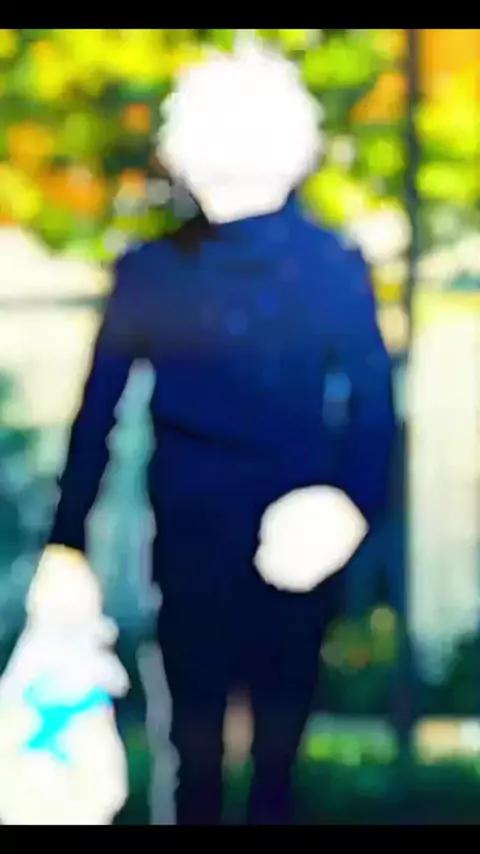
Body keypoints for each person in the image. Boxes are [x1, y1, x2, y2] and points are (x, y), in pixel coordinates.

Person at [43, 40, 396, 824]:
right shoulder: (313, 265)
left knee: (228, 755)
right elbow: (97, 416)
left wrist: (346, 508)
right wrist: (65, 547)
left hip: (276, 539)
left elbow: (374, 412)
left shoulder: (179, 269)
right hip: (222, 539)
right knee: (218, 753)